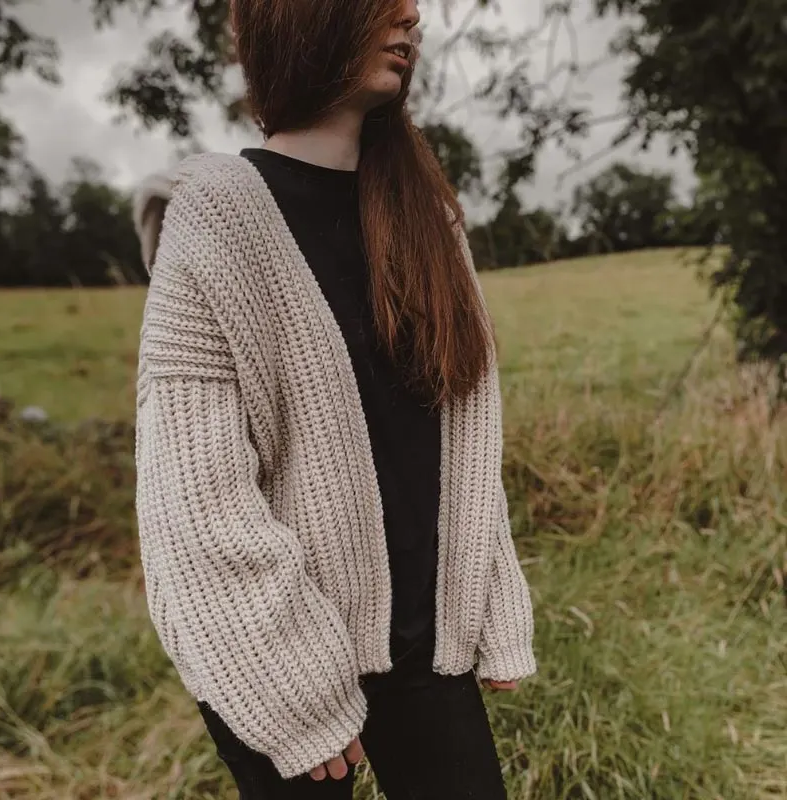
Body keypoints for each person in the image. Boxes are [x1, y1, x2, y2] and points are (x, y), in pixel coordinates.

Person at [132, 0, 536, 797]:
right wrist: (293, 681)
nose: (411, 15)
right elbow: (192, 497)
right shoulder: (217, 214)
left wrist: (489, 593)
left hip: (423, 648)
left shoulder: (429, 218)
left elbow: (462, 437)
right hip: (272, 650)